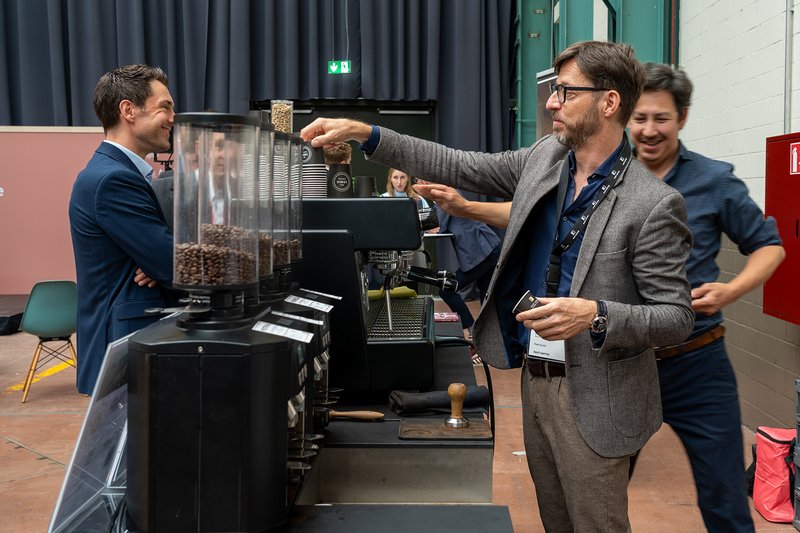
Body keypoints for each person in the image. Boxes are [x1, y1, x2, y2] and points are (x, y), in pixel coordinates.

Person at [302, 41, 695, 531]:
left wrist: (595, 314)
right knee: (556, 521)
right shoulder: (546, 158)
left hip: (597, 395)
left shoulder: (653, 203)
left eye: (566, 92)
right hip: (535, 379)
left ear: (609, 102)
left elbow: (676, 317)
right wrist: (368, 133)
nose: (552, 102)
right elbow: (457, 164)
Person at [626, 63, 785, 533]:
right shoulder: (607, 177)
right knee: (599, 498)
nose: (649, 130)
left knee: (724, 499)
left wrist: (731, 290)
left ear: (683, 117)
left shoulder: (714, 181)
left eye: (661, 118)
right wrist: (468, 206)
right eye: (639, 118)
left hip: (698, 364)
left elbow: (770, 246)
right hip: (623, 364)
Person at [69, 64, 179, 395]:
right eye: (165, 107)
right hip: (122, 353)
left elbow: (161, 259)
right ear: (128, 110)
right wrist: (163, 261)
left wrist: (159, 261)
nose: (172, 117)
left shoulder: (117, 173)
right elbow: (171, 263)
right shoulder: (113, 179)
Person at [416, 182, 501, 339]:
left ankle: (473, 329)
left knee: (446, 290)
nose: (421, 184)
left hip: (483, 251)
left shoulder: (444, 195)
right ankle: (488, 335)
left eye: (422, 181)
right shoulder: (441, 196)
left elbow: (437, 224)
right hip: (487, 249)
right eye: (419, 181)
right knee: (487, 296)